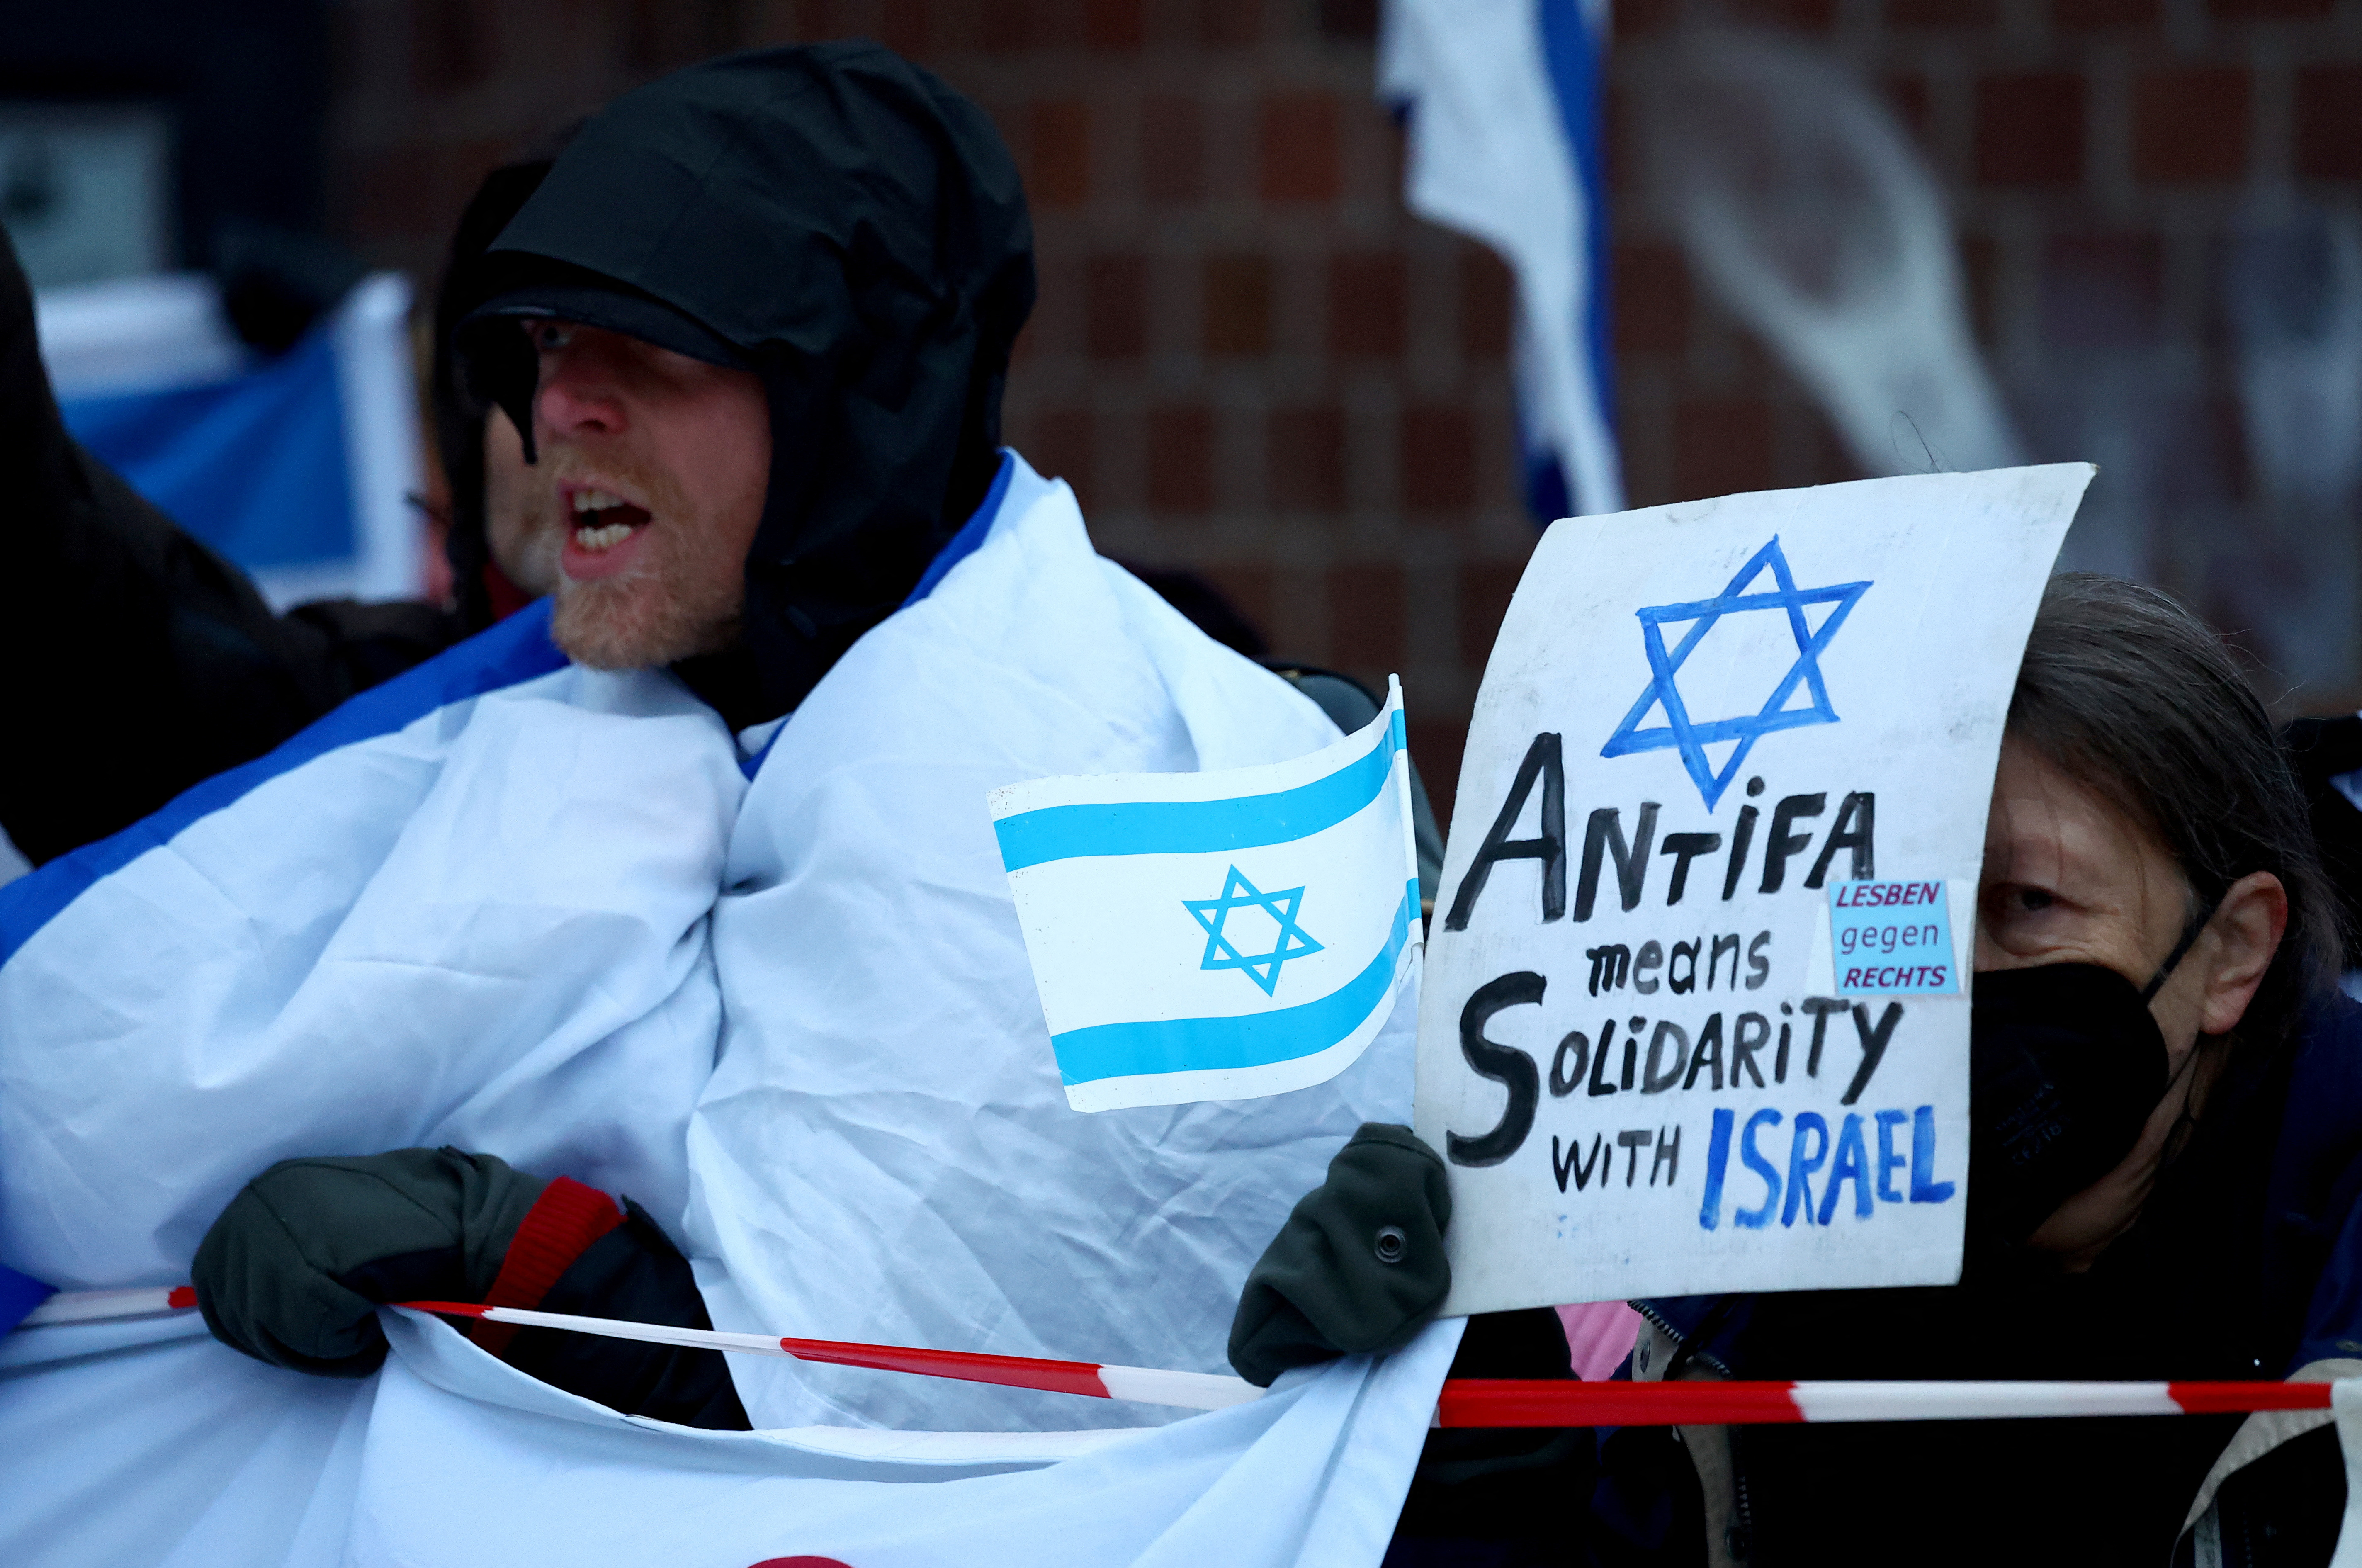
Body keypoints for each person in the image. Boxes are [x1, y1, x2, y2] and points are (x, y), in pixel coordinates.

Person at [0, 44, 1424, 1562]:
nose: (558, 411)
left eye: (651, 345)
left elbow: (912, 1383)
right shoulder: (478, 730)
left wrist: (534, 1262)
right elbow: (109, 677)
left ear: (849, 389)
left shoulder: (1198, 760)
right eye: (541, 346)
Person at [1234, 572, 2362, 1566]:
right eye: (1904, 900)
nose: (1953, 973)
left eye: (2029, 907)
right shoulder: (1732, 1300)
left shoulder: (2330, 1304)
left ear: (2232, 950)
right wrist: (1457, 1443)